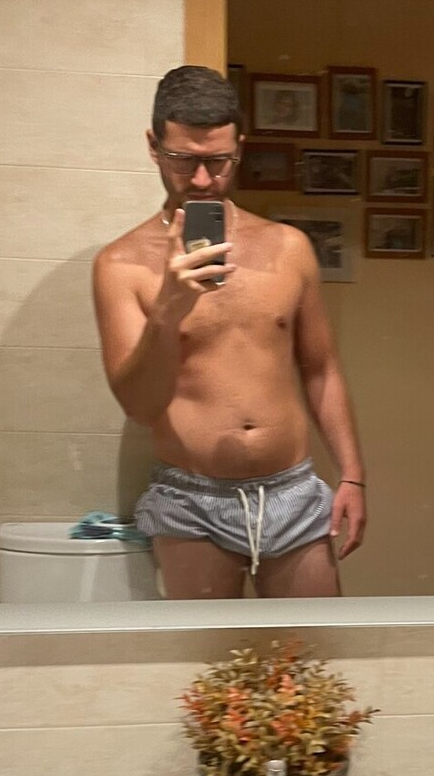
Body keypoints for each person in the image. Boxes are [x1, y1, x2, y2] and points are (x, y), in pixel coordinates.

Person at [92, 66, 367, 599]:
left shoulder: (288, 248)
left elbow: (321, 369)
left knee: (312, 649)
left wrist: (352, 473)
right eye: (183, 160)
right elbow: (140, 407)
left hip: (292, 490)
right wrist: (168, 311)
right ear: (153, 146)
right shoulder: (120, 265)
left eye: (218, 162)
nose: (201, 180)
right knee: (209, 652)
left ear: (239, 148)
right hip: (190, 500)